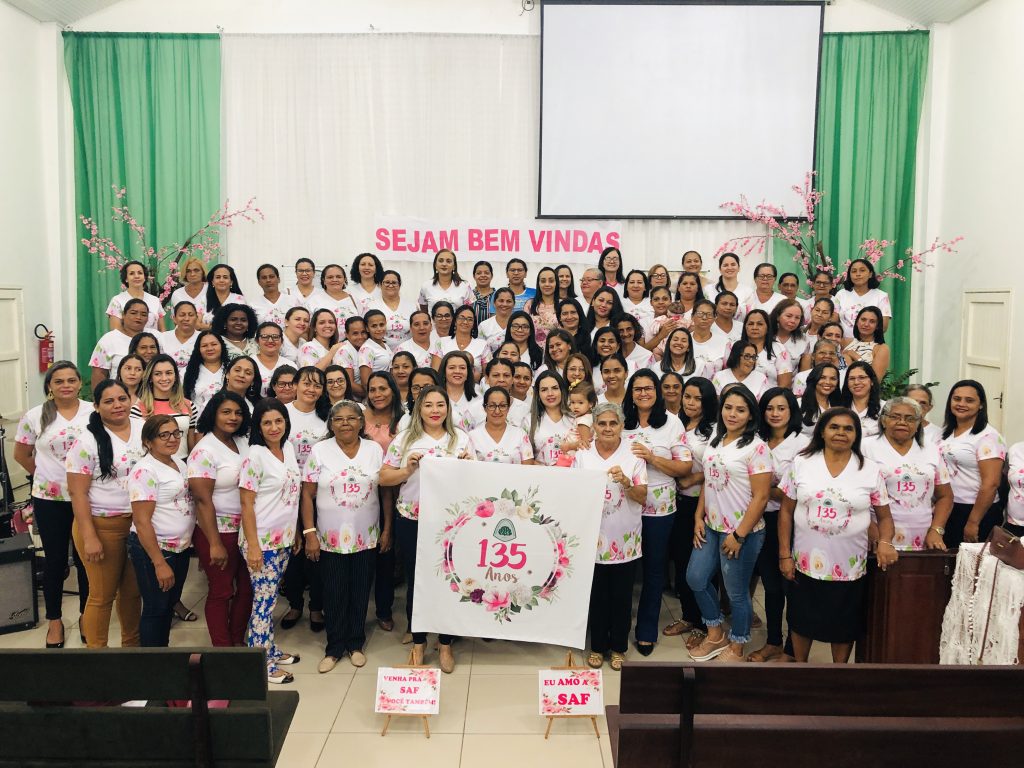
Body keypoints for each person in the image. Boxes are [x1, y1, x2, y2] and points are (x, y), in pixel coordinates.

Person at [779, 407, 897, 662]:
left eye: (848, 428)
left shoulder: (869, 469)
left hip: (849, 565)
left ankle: (838, 673)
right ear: (822, 431)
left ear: (856, 435)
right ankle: (800, 668)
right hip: (805, 562)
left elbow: (885, 517)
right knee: (801, 620)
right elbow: (786, 512)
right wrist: (784, 555)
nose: (841, 433)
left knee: (844, 625)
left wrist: (886, 542)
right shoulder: (801, 463)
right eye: (834, 427)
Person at [380, 386, 471, 672]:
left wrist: (469, 467)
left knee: (448, 580)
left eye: (440, 404)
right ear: (419, 408)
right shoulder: (406, 439)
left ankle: (445, 643)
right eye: (428, 404)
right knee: (416, 579)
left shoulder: (460, 439)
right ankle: (418, 641)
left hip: (450, 524)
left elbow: (475, 481)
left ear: (448, 408)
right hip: (412, 519)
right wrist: (407, 470)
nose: (435, 410)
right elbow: (384, 478)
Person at [686, 385, 772, 662]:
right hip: (711, 527)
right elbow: (709, 481)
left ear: (751, 415)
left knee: (736, 592)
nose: (732, 414)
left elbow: (761, 497)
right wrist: (698, 516)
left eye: (740, 410)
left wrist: (739, 535)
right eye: (728, 407)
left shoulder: (757, 447)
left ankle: (737, 644)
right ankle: (715, 633)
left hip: (740, 532)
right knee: (696, 578)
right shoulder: (716, 439)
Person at [302, 400, 384, 671]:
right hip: (330, 538)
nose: (345, 423)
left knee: (360, 592)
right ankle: (334, 647)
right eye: (339, 419)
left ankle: (355, 644)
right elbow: (307, 494)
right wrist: (310, 533)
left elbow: (385, 491)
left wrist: (387, 530)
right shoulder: (319, 451)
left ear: (361, 422)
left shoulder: (374, 450)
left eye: (351, 418)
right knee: (334, 592)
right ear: (331, 424)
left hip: (366, 535)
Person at [14, 362, 92, 647]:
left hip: (87, 497)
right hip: (50, 499)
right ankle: (55, 620)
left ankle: (86, 616)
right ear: (49, 386)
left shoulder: (93, 412)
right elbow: (21, 454)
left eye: (71, 380)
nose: (66, 385)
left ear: (80, 383)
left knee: (86, 561)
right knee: (55, 561)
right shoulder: (35, 416)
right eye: (59, 381)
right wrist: (45, 476)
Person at [65, 380, 144, 647]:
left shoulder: (143, 429)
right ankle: (97, 656)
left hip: (137, 525)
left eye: (122, 399)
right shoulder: (86, 441)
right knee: (102, 595)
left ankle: (131, 649)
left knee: (132, 593)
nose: (117, 405)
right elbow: (77, 493)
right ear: (97, 407)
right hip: (101, 525)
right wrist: (89, 537)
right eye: (109, 401)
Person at [573, 402, 648, 670]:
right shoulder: (583, 455)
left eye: (613, 423)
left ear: (621, 426)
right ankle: (597, 647)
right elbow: (572, 493)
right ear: (593, 426)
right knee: (597, 596)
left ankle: (618, 647)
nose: (607, 428)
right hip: (592, 539)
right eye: (602, 423)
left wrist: (627, 482)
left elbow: (643, 497)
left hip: (624, 540)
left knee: (622, 596)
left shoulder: (634, 455)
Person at [623, 370, 692, 655]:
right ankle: (618, 628)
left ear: (657, 392)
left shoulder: (672, 423)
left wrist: (652, 458)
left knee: (653, 569)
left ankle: (646, 630)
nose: (643, 393)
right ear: (631, 393)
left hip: (659, 509)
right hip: (624, 505)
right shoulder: (622, 421)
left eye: (648, 388)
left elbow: (685, 467)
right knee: (624, 570)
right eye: (637, 389)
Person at [239, 398, 302, 683]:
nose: (274, 427)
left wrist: (295, 532)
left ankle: (271, 650)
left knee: (271, 599)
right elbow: (246, 503)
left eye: (278, 421)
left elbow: (290, 495)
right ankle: (261, 665)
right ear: (258, 426)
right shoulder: (255, 456)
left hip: (283, 538)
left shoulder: (287, 448)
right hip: (261, 542)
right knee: (263, 604)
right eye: (267, 423)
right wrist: (253, 546)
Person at [188, 391, 253, 647]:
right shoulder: (204, 450)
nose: (233, 417)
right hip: (217, 531)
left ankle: (237, 641)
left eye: (238, 413)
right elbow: (202, 499)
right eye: (226, 412)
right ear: (213, 414)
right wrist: (214, 543)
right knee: (222, 590)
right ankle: (223, 650)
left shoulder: (243, 442)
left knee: (247, 588)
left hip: (246, 529)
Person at [748, 388, 806, 663]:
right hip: (760, 519)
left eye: (781, 408)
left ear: (791, 411)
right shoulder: (755, 440)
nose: (774, 413)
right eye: (769, 408)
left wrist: (762, 490)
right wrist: (765, 491)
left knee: (791, 585)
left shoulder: (802, 444)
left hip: (790, 521)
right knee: (770, 584)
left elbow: (794, 492)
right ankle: (773, 641)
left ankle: (793, 649)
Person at [127, 415, 196, 647]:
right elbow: (142, 521)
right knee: (156, 609)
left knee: (168, 605)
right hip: (156, 550)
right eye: (163, 435)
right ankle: (152, 663)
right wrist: (158, 563)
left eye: (176, 433)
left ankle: (163, 656)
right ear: (148, 442)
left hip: (180, 547)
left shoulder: (178, 463)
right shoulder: (145, 471)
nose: (172, 439)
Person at [664, 377, 717, 642]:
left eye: (698, 398)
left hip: (702, 504)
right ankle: (688, 616)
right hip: (677, 501)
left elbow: (717, 467)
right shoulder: (675, 424)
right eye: (688, 397)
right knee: (682, 561)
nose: (691, 403)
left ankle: (707, 624)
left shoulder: (714, 430)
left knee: (702, 567)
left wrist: (693, 478)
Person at [865, 398, 953, 551]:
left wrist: (936, 530)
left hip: (922, 537)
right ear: (884, 420)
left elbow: (945, 496)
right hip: (877, 537)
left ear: (918, 424)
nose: (902, 422)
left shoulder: (931, 450)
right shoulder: (865, 448)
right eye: (895, 417)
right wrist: (869, 527)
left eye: (910, 419)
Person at [279, 366, 330, 632]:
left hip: (318, 494)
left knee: (317, 553)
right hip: (285, 494)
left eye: (317, 385)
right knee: (293, 552)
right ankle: (295, 603)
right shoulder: (282, 413)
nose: (311, 389)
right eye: (306, 383)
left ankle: (316, 607)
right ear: (295, 385)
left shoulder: (327, 415)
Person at [939, 380, 1006, 547]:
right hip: (948, 506)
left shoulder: (988, 437)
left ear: (981, 405)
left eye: (969, 400)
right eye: (957, 399)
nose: (961, 404)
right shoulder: (947, 431)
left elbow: (991, 484)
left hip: (974, 511)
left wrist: (973, 522)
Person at [361, 372, 402, 634]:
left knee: (387, 553)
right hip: (362, 493)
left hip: (395, 490)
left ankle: (384, 610)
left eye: (383, 389)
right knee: (363, 555)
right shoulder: (358, 416)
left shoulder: (403, 419)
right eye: (372, 389)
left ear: (393, 390)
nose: (377, 394)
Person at [129, 353, 196, 458]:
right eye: (158, 374)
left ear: (175, 376)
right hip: (153, 464)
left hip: (183, 464)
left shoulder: (189, 405)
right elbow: (139, 446)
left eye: (169, 373)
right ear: (150, 378)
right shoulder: (138, 409)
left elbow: (191, 446)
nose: (164, 378)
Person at [90, 298, 149, 391]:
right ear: (123, 315)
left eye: (144, 314)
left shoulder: (154, 337)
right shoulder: (109, 339)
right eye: (133, 313)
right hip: (117, 395)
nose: (139, 317)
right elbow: (99, 374)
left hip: (148, 396)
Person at [726, 309, 792, 389]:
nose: (754, 327)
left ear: (767, 327)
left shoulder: (779, 349)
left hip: (769, 395)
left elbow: (785, 384)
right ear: (745, 327)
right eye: (751, 324)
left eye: (760, 324)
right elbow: (727, 374)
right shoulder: (732, 346)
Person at [469, 386, 536, 464]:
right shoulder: (473, 436)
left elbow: (528, 467)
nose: (497, 411)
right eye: (492, 406)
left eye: (502, 406)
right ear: (485, 408)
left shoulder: (520, 435)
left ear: (508, 408)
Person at [833, 258, 891, 337]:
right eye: (854, 271)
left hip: (869, 342)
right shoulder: (841, 294)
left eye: (862, 270)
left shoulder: (881, 296)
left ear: (870, 274)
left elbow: (883, 327)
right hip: (843, 342)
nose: (858, 274)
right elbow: (833, 322)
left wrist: (863, 341)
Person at [431, 305, 490, 381]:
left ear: (473, 323)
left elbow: (487, 376)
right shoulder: (441, 342)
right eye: (462, 318)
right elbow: (435, 373)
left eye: (470, 319)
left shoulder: (483, 345)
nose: (465, 322)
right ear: (455, 321)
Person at [529, 371, 575, 466]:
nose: (550, 393)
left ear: (562, 390)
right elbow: (525, 458)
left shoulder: (574, 418)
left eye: (555, 388)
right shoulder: (529, 420)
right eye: (544, 390)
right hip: (540, 473)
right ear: (538, 394)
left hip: (572, 472)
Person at [107, 260, 166, 332]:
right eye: (131, 273)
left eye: (140, 273)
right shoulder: (117, 301)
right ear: (126, 278)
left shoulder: (155, 300)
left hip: (153, 339)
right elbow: (116, 332)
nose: (136, 276)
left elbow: (162, 330)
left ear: (144, 277)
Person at [183, 331, 229, 422]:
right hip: (196, 422)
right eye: (204, 346)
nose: (210, 348)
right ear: (198, 349)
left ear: (221, 346)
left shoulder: (232, 369)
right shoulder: (187, 372)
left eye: (214, 344)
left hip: (228, 421)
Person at [367, 270, 419, 351]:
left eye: (394, 282)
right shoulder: (371, 306)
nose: (390, 285)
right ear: (380, 285)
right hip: (381, 351)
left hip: (409, 351)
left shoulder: (412, 306)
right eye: (387, 282)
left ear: (399, 285)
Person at [439, 350, 485, 432]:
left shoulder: (479, 398)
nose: (457, 371)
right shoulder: (434, 397)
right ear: (444, 371)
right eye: (452, 367)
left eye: (462, 368)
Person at [843, 306, 890, 381]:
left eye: (872, 321)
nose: (866, 324)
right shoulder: (846, 342)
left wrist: (856, 357)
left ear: (877, 326)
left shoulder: (881, 348)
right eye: (863, 320)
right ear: (857, 322)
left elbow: (875, 380)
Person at [555, 380, 596, 467]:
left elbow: (585, 443)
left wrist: (569, 446)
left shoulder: (583, 421)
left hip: (574, 455)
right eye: (573, 402)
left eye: (580, 403)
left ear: (590, 404)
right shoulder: (586, 417)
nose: (575, 406)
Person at [311, 263, 360, 334]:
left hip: (351, 341)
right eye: (330, 277)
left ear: (344, 279)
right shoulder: (313, 301)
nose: (334, 280)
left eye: (338, 277)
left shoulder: (354, 300)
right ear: (324, 280)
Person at [840, 361, 884, 438]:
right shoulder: (838, 408)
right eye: (852, 378)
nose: (856, 382)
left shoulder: (884, 408)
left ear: (872, 381)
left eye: (862, 377)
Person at [799, 363, 842, 437]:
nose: (828, 382)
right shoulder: (798, 404)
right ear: (814, 379)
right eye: (822, 377)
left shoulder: (841, 406)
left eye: (833, 379)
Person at [358, 309, 394, 393]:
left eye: (381, 325)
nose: (379, 329)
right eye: (374, 326)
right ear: (367, 328)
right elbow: (365, 382)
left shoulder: (385, 345)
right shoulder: (367, 349)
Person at [200, 264, 246, 329]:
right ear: (212, 282)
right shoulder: (204, 299)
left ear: (231, 282)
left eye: (225, 277)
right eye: (218, 277)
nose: (221, 280)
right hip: (208, 335)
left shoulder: (239, 299)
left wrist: (209, 327)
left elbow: (241, 323)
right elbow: (197, 324)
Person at [689, 299, 726, 378]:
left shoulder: (724, 342)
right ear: (692, 316)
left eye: (709, 314)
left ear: (715, 317)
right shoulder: (684, 341)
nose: (704, 318)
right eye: (700, 314)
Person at [159, 301, 199, 372]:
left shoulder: (203, 338)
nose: (186, 319)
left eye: (191, 315)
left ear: (196, 317)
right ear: (174, 318)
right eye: (182, 315)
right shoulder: (162, 338)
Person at [252, 322, 290, 397]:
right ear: (257, 340)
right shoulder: (249, 363)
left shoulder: (290, 365)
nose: (270, 340)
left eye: (275, 337)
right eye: (265, 337)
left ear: (282, 341)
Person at [526, 266, 560, 344]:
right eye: (543, 281)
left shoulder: (563, 305)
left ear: (556, 283)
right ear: (538, 284)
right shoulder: (530, 304)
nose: (547, 284)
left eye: (551, 281)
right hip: (533, 348)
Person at [770, 298, 808, 364]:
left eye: (797, 317)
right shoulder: (764, 335)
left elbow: (804, 369)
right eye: (788, 316)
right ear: (778, 316)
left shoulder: (803, 340)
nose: (793, 321)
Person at [479, 287, 515, 354]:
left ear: (514, 304)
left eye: (509, 301)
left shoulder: (518, 325)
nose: (504, 304)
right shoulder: (484, 325)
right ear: (494, 303)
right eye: (501, 301)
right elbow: (480, 351)